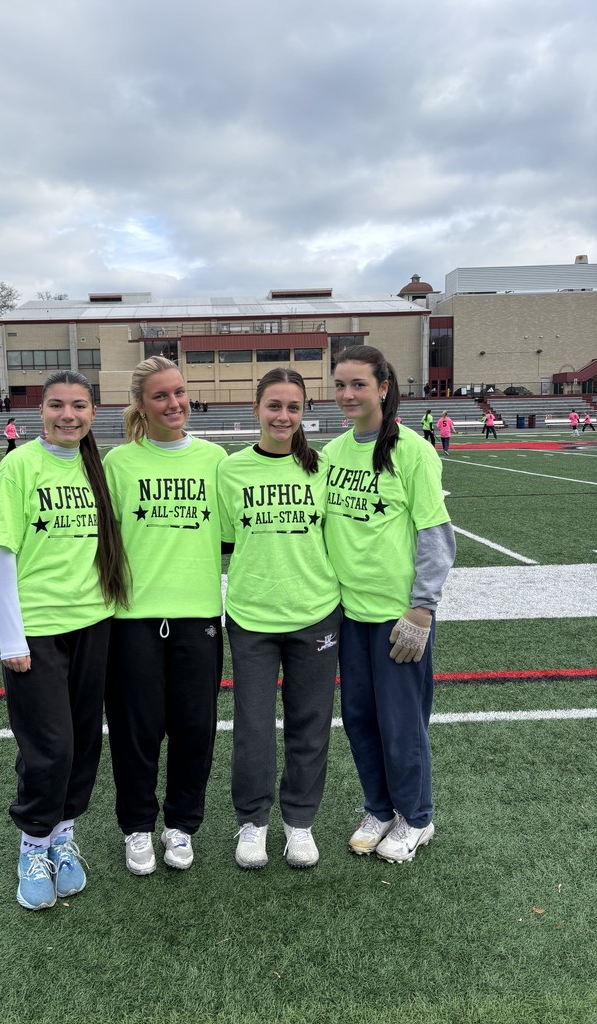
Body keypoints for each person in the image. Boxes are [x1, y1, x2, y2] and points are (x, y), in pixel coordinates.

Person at [0, 370, 129, 910]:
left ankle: (63, 839)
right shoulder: (19, 466)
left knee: (86, 742)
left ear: (94, 413)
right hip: (39, 630)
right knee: (50, 747)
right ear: (39, 412)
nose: (68, 415)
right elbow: (2, 555)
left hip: (94, 623)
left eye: (79, 406)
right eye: (57, 406)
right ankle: (33, 844)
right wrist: (11, 638)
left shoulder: (98, 468)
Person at [324, 345, 455, 864]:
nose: (347, 394)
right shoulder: (332, 454)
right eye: (340, 385)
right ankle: (379, 809)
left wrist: (422, 607)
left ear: (383, 386)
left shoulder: (413, 450)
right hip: (348, 615)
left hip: (399, 616)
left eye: (358, 384)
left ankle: (416, 817)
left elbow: (435, 533)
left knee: (402, 722)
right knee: (358, 719)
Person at [103, 356, 226, 875]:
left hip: (198, 615)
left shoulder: (216, 459)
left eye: (178, 392)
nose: (174, 403)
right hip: (132, 619)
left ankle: (180, 826)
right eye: (160, 396)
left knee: (195, 728)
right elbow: (101, 541)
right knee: (136, 731)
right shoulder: (119, 462)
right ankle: (137, 828)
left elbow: (235, 535)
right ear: (141, 404)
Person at [218, 368, 342, 870]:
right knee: (252, 725)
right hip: (251, 616)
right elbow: (227, 541)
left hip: (315, 611)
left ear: (304, 411)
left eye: (293, 406)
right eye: (274, 405)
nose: (283, 415)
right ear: (256, 409)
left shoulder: (325, 468)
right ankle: (253, 822)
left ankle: (299, 822)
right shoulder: (231, 470)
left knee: (310, 724)